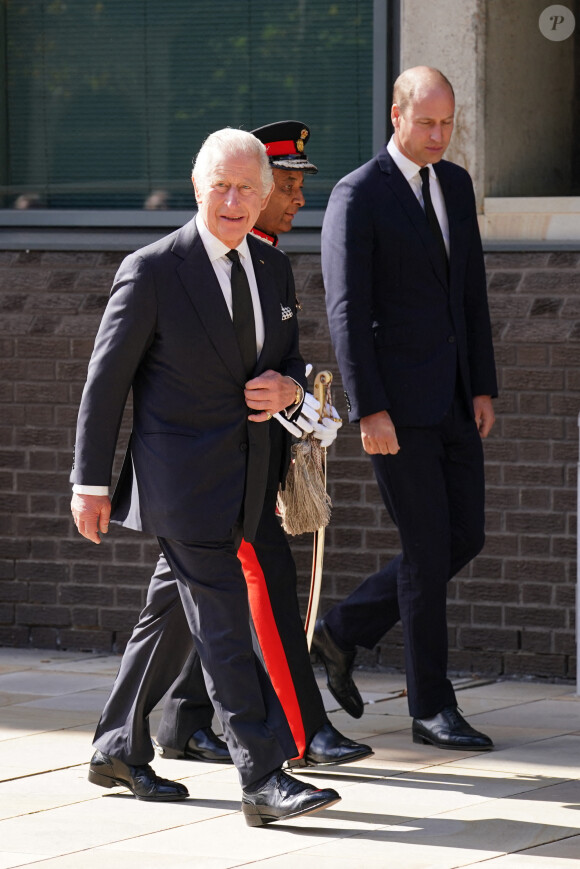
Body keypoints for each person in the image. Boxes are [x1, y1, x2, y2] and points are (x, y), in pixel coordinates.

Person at [70, 127, 341, 826]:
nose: (233, 200)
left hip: (248, 479)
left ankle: (116, 745)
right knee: (221, 618)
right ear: (197, 188)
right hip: (179, 482)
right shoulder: (154, 269)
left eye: (247, 187)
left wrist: (289, 389)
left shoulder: (274, 269)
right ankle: (263, 773)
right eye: (220, 185)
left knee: (170, 615)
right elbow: (106, 383)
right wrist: (89, 482)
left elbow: (288, 361)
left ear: (265, 194)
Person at [153, 121, 372, 772]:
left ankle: (178, 721)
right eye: (292, 184)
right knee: (266, 589)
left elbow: (286, 364)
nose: (299, 197)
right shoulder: (230, 256)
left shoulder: (268, 258)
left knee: (181, 604)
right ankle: (302, 730)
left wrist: (305, 403)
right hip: (223, 472)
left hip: (254, 464)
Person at [316, 67, 498, 752]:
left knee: (464, 537)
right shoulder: (357, 195)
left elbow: (470, 291)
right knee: (425, 549)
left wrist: (481, 384)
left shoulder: (453, 183)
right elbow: (346, 310)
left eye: (448, 124)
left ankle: (340, 632)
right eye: (426, 122)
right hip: (395, 407)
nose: (438, 136)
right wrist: (369, 408)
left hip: (453, 397)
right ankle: (431, 707)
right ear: (396, 115)